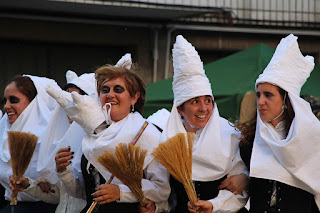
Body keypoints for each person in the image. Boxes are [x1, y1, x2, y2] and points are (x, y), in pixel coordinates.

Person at [47, 54, 170, 213]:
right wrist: (63, 171)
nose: (110, 95)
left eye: (118, 89)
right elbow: (81, 192)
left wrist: (120, 192)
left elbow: (161, 189)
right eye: (105, 90)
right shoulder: (93, 134)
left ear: (134, 97)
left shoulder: (148, 134)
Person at [160, 35, 248, 213]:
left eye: (208, 101)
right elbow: (163, 193)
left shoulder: (230, 135)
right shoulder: (167, 139)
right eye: (195, 102)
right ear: (179, 109)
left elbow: (240, 191)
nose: (203, 108)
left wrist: (214, 205)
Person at [237, 34, 320, 212]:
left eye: (268, 95)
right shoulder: (249, 140)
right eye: (259, 94)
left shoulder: (312, 139)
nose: (260, 102)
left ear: (286, 99)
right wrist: (244, 177)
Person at [10, 70, 96, 213]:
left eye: (75, 99)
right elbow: (61, 196)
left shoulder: (98, 143)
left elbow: (82, 192)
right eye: (65, 99)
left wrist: (63, 172)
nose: (68, 105)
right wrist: (29, 186)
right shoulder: (62, 141)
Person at [0, 75, 59, 213]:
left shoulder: (53, 137)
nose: (6, 106)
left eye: (13, 100)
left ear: (34, 103)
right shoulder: (3, 130)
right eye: (5, 100)